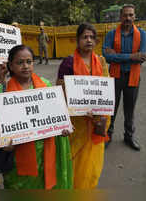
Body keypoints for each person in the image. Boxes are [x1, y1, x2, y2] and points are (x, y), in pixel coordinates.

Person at [0, 44, 73, 189]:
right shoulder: (2, 92)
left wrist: (63, 127)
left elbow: (56, 116)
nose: (25, 66)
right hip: (18, 157)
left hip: (45, 153)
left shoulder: (46, 86)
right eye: (20, 62)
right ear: (10, 65)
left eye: (29, 62)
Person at [56, 23, 110, 188]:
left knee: (91, 169)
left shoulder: (101, 61)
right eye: (84, 37)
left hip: (96, 121)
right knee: (74, 166)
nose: (88, 40)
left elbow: (106, 92)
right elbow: (61, 93)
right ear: (77, 40)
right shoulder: (68, 63)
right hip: (76, 123)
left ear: (96, 40)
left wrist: (102, 119)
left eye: (92, 37)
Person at [102, 4, 146, 151]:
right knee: (111, 108)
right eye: (125, 15)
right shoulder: (111, 34)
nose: (128, 18)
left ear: (134, 16)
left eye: (131, 15)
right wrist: (131, 56)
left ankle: (129, 136)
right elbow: (107, 57)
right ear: (120, 17)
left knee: (130, 109)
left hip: (133, 77)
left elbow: (142, 57)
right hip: (115, 76)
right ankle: (108, 135)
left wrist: (118, 56)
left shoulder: (142, 34)